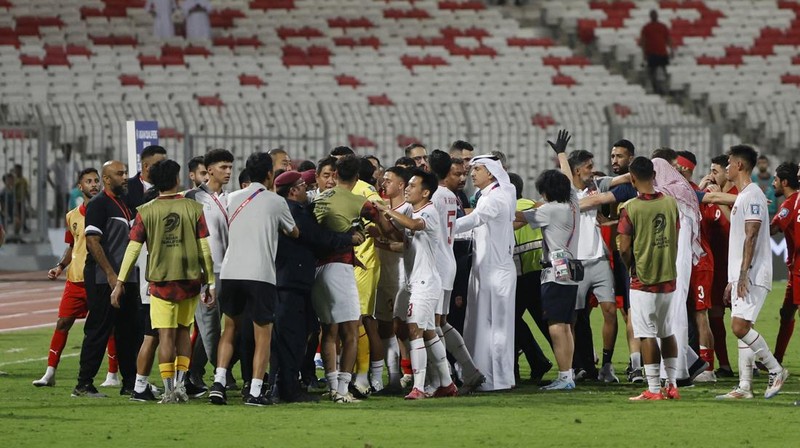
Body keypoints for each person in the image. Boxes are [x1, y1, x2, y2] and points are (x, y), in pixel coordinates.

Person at [112, 159, 216, 403]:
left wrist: (119, 282)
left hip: (160, 283)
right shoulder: (193, 209)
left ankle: (169, 390)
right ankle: (180, 386)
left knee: (165, 337)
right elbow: (205, 249)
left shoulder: (146, 211)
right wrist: (210, 280)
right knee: (183, 334)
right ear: (176, 179)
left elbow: (133, 249)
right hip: (189, 280)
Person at [208, 152, 299, 407]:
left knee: (230, 329)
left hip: (230, 271)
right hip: (260, 274)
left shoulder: (231, 198)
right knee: (263, 335)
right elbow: (293, 230)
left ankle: (218, 382)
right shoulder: (275, 201)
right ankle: (256, 391)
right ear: (270, 174)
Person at [273, 170, 361, 402]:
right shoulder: (294, 212)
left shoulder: (294, 210)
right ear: (293, 190)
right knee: (293, 338)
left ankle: (287, 385)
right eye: (303, 185)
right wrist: (348, 240)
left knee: (306, 333)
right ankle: (287, 389)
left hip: (295, 280)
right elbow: (318, 237)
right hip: (292, 281)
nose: (307, 189)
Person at [311, 155, 387, 403]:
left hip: (317, 269)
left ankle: (333, 386)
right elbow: (382, 224)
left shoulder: (320, 197)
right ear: (357, 177)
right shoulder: (358, 200)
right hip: (340, 268)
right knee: (352, 329)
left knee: (329, 330)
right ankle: (343, 390)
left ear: (335, 175)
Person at [34, 168, 119, 388]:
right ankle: (50, 372)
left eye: (96, 181)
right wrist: (60, 266)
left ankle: (112, 374)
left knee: (106, 327)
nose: (94, 184)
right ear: (80, 187)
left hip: (98, 279)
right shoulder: (72, 215)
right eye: (88, 181)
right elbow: (72, 245)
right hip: (75, 280)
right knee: (62, 323)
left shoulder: (106, 211)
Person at [376, 169, 457, 399]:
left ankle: (419, 387)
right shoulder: (412, 209)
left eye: (412, 186)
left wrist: (388, 211)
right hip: (412, 282)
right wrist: (379, 223)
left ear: (425, 192)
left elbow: (414, 226)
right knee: (425, 331)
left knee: (415, 330)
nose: (408, 189)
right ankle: (447, 383)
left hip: (426, 282)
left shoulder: (430, 211)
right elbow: (395, 233)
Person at [716, 145, 788, 400]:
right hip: (742, 273)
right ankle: (744, 387)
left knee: (739, 326)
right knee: (742, 325)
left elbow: (752, 235)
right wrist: (733, 278)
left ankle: (775, 369)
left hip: (754, 273)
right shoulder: (745, 195)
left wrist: (744, 273)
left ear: (740, 166)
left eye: (729, 163)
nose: (726, 167)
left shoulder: (753, 195)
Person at [516, 130, 580, 391]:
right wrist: (561, 154)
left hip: (554, 271)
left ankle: (565, 376)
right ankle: (569, 375)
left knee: (555, 325)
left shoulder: (550, 210)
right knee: (565, 325)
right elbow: (568, 180)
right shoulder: (572, 202)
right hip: (571, 268)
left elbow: (519, 217)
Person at [72, 161, 139, 398]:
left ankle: (131, 383)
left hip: (126, 277)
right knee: (99, 329)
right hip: (104, 279)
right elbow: (92, 241)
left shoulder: (123, 203)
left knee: (129, 332)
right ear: (107, 179)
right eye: (120, 174)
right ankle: (83, 384)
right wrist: (111, 275)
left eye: (126, 173)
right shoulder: (100, 204)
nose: (125, 177)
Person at [618, 156, 681, 400]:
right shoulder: (670, 203)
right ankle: (672, 385)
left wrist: (630, 266)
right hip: (668, 276)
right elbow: (675, 232)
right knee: (667, 332)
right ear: (654, 175)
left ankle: (654, 389)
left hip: (643, 278)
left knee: (646, 334)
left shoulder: (631, 208)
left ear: (632, 178)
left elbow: (624, 247)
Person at [455, 152, 517, 392]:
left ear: (490, 172)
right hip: (485, 269)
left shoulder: (495, 198)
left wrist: (445, 226)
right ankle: (484, 375)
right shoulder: (490, 194)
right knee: (482, 325)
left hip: (495, 272)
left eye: (477, 169)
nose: (472, 173)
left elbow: (477, 220)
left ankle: (496, 379)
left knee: (496, 328)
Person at [428, 150, 484, 393]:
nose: (462, 178)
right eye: (457, 173)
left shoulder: (434, 196)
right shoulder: (451, 197)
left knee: (430, 325)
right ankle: (469, 370)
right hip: (448, 260)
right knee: (441, 323)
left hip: (435, 265)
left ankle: (441, 379)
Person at [566, 149, 620, 383]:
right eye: (588, 166)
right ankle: (573, 365)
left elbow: (620, 180)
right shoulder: (565, 191)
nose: (592, 169)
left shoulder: (597, 186)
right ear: (577, 170)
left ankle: (607, 365)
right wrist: (560, 154)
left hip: (598, 259)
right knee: (574, 318)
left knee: (610, 310)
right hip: (575, 262)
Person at [183, 149, 234, 394]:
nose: (228, 172)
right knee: (210, 328)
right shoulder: (191, 198)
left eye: (230, 167)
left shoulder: (232, 199)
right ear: (209, 170)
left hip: (232, 270)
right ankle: (224, 373)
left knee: (222, 327)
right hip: (206, 273)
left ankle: (194, 373)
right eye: (223, 167)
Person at [675, 151, 717, 383]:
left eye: (677, 168)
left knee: (701, 314)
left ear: (686, 169)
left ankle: (708, 368)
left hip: (699, 261)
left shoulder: (691, 191)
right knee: (685, 314)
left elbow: (710, 200)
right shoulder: (682, 189)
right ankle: (692, 363)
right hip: (684, 261)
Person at [508, 173, 552, 383]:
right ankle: (574, 364)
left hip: (522, 275)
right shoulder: (534, 204)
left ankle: (529, 364)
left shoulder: (512, 211)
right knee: (546, 323)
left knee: (511, 323)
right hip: (540, 271)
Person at [697, 154, 737, 377]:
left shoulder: (736, 196)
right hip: (715, 268)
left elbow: (738, 224)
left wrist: (718, 200)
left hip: (736, 267)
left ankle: (753, 364)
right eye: (710, 171)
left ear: (727, 172)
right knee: (715, 317)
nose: (712, 175)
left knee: (741, 321)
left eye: (715, 171)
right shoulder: (708, 197)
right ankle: (725, 365)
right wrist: (701, 192)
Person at [372, 166, 411, 392]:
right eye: (383, 179)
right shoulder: (384, 207)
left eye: (389, 180)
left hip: (400, 275)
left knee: (401, 327)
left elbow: (405, 245)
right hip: (383, 274)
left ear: (401, 185)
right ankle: (396, 378)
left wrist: (380, 241)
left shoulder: (407, 210)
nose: (384, 183)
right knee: (386, 327)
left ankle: (412, 374)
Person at [770, 162, 800, 366]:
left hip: (799, 270)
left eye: (775, 180)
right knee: (786, 312)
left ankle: (776, 359)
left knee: (788, 312)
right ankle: (776, 358)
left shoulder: (790, 203)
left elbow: (773, 229)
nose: (773, 184)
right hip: (795, 269)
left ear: (785, 182)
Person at [639, 9, 672, 95]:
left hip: (661, 53)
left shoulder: (662, 27)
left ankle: (664, 88)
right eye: (653, 15)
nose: (654, 16)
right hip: (652, 53)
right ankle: (656, 89)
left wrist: (671, 50)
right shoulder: (646, 28)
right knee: (652, 72)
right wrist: (644, 54)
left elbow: (668, 39)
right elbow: (643, 42)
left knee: (663, 71)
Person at [48, 144, 80, 227]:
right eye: (65, 150)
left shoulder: (74, 163)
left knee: (69, 211)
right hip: (60, 190)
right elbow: (47, 172)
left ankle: (68, 229)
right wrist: (53, 185)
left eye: (69, 150)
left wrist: (76, 184)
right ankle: (57, 228)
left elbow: (80, 174)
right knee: (58, 211)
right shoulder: (58, 162)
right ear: (63, 151)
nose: (67, 152)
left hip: (71, 190)